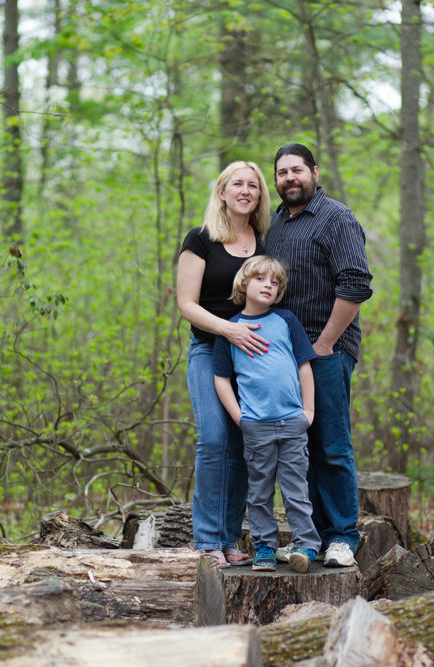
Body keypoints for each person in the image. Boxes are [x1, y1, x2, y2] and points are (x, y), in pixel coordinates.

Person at [264, 143, 373, 568]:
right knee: (297, 449)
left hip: (326, 351)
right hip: (282, 358)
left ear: (314, 171)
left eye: (296, 170)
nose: (289, 178)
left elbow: (357, 284)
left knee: (330, 445)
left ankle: (343, 536)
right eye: (281, 173)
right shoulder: (275, 224)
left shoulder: (336, 218)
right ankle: (309, 539)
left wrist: (325, 343)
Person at [176, 161, 272, 567]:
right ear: (222, 191)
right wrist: (228, 330)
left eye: (253, 185)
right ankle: (207, 541)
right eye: (238, 183)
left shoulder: (266, 240)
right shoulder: (201, 239)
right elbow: (186, 304)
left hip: (251, 358)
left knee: (242, 445)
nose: (245, 190)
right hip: (208, 351)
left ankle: (231, 538)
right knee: (214, 440)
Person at [212, 256, 321, 573]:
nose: (269, 286)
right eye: (261, 279)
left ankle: (305, 546)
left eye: (275, 283)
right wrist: (239, 418)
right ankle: (263, 549)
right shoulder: (231, 330)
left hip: (292, 423)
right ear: (245, 283)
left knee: (296, 491)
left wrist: (309, 410)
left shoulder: (287, 321)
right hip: (255, 426)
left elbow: (304, 365)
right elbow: (221, 378)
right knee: (258, 492)